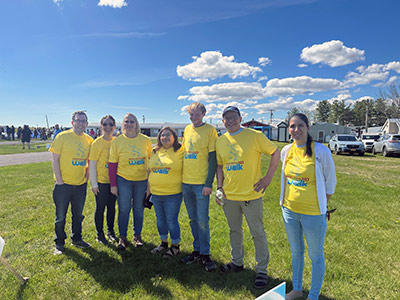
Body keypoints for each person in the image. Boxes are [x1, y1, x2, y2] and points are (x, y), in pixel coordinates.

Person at [216, 106, 280, 289]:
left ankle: (262, 270)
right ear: (223, 121)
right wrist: (219, 187)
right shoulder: (221, 141)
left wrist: (267, 179)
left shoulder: (254, 136)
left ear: (240, 118)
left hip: (251, 195)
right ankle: (237, 262)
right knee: (234, 230)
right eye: (226, 118)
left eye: (233, 117)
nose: (230, 121)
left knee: (257, 232)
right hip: (230, 195)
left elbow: (275, 153)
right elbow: (220, 166)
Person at [280, 113, 336, 300]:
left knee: (315, 255)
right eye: (292, 126)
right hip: (289, 211)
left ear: (308, 127)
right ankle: (297, 289)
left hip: (313, 213)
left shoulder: (321, 151)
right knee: (296, 252)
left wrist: (323, 202)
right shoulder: (286, 150)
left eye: (300, 125)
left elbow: (330, 182)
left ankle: (313, 295)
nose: (296, 130)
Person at [180, 102, 218, 271]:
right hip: (186, 183)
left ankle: (205, 253)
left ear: (203, 114)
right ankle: (196, 250)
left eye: (196, 114)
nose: (193, 117)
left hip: (201, 184)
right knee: (193, 219)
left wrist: (209, 183)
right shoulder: (187, 129)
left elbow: (213, 158)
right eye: (191, 114)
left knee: (203, 220)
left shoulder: (210, 130)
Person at [49, 111, 93, 255]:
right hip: (63, 185)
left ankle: (77, 239)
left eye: (83, 121)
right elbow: (55, 159)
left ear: (87, 124)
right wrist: (59, 180)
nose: (81, 123)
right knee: (60, 216)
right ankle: (60, 243)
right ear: (72, 122)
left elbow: (89, 161)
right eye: (78, 120)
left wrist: (86, 177)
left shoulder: (89, 140)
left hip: (80, 185)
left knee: (78, 215)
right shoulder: (62, 137)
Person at [109, 113, 152, 250]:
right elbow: (112, 164)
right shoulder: (117, 141)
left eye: (132, 121)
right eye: (126, 121)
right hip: (124, 179)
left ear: (136, 124)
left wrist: (149, 183)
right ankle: (122, 237)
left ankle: (137, 236)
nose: (129, 124)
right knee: (124, 209)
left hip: (141, 180)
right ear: (123, 124)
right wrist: (113, 185)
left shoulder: (145, 140)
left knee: (138, 209)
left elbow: (151, 161)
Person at [148, 127, 184, 258]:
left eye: (168, 135)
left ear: (174, 137)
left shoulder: (180, 151)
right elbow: (150, 170)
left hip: (173, 193)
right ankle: (163, 243)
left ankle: (175, 246)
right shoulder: (155, 151)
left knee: (171, 220)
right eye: (162, 135)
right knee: (160, 220)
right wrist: (148, 191)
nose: (165, 137)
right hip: (156, 193)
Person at [89, 115, 118, 245]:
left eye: (110, 124)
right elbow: (92, 164)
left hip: (113, 182)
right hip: (101, 182)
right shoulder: (97, 143)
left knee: (112, 207)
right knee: (100, 208)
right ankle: (100, 234)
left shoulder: (117, 142)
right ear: (101, 126)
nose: (108, 127)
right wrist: (94, 184)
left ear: (114, 127)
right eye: (105, 124)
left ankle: (110, 231)